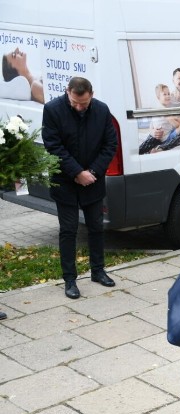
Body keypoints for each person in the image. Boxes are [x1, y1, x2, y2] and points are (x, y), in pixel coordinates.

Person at [41, 77, 118, 300]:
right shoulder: (53, 110)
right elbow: (53, 146)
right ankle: (70, 279)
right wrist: (77, 172)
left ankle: (98, 270)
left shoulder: (102, 110)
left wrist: (92, 172)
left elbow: (110, 144)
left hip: (92, 180)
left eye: (83, 103)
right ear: (68, 92)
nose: (78, 106)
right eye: (74, 102)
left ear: (91, 95)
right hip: (65, 181)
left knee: (96, 226)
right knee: (68, 230)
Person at [138, 84, 180, 155]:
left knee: (147, 143)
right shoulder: (164, 110)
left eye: (168, 94)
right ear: (158, 97)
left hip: (158, 136)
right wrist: (179, 124)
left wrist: (176, 118)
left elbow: (152, 123)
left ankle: (144, 150)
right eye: (165, 94)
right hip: (165, 137)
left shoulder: (156, 108)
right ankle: (159, 148)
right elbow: (176, 125)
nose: (168, 96)